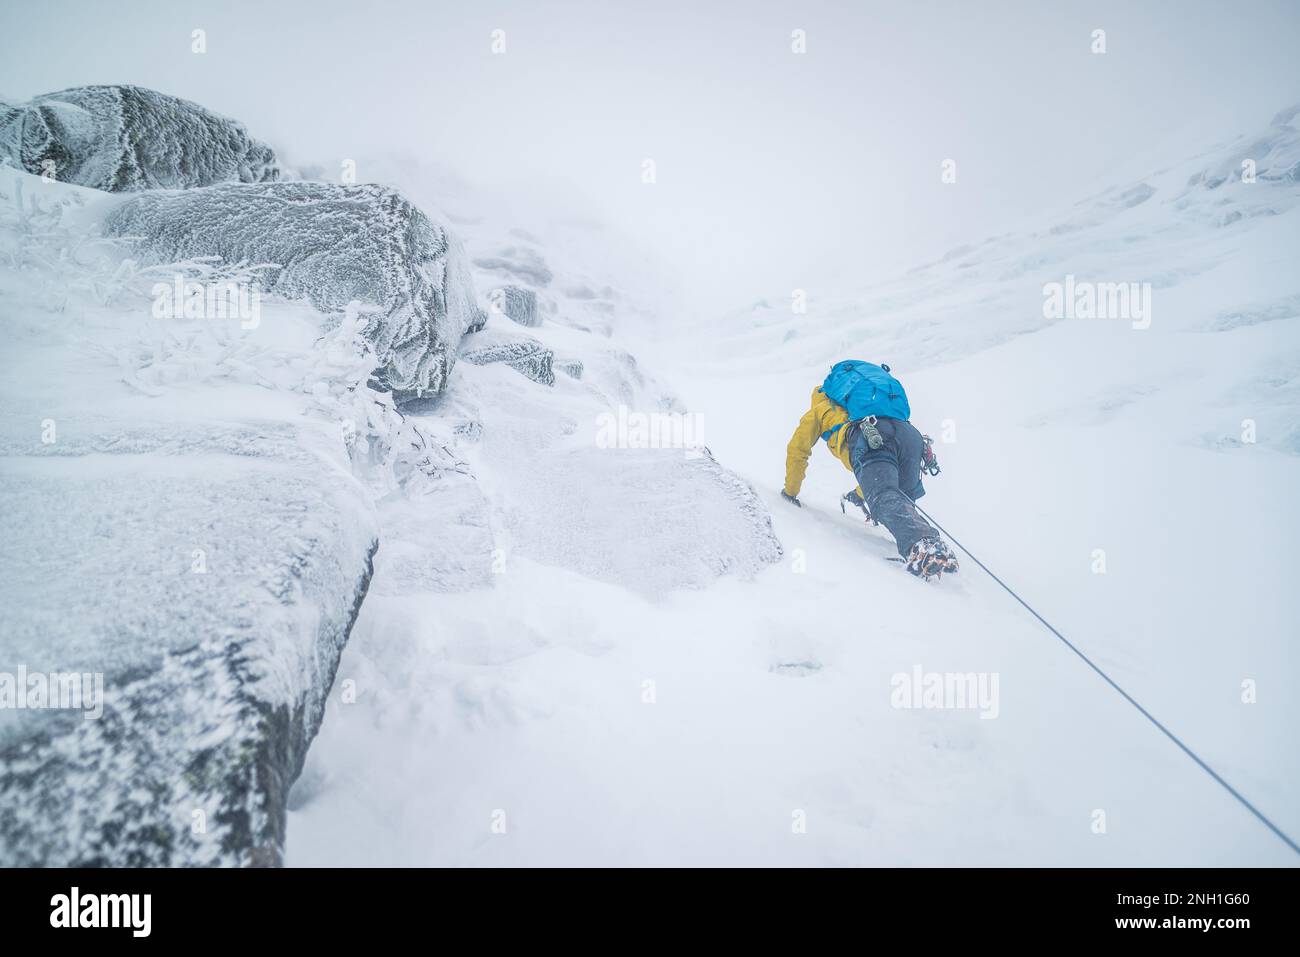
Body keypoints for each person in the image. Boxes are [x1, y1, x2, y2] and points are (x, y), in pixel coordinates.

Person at [781, 360, 959, 579]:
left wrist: (790, 492)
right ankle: (936, 550)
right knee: (899, 499)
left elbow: (797, 451)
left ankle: (924, 548)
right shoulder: (864, 403)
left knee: (884, 496)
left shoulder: (819, 410)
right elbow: (877, 476)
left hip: (872, 435)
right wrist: (858, 494)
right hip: (911, 436)